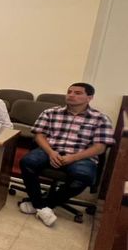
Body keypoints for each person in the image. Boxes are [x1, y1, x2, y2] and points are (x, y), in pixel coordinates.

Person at [19, 82, 114, 227]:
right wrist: (51, 152)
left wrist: (73, 158)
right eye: (69, 92)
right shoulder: (51, 112)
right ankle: (40, 204)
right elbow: (39, 136)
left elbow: (100, 147)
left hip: (80, 156)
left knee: (84, 176)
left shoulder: (100, 118)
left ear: (89, 97)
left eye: (77, 93)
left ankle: (45, 204)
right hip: (50, 150)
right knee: (27, 162)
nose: (71, 95)